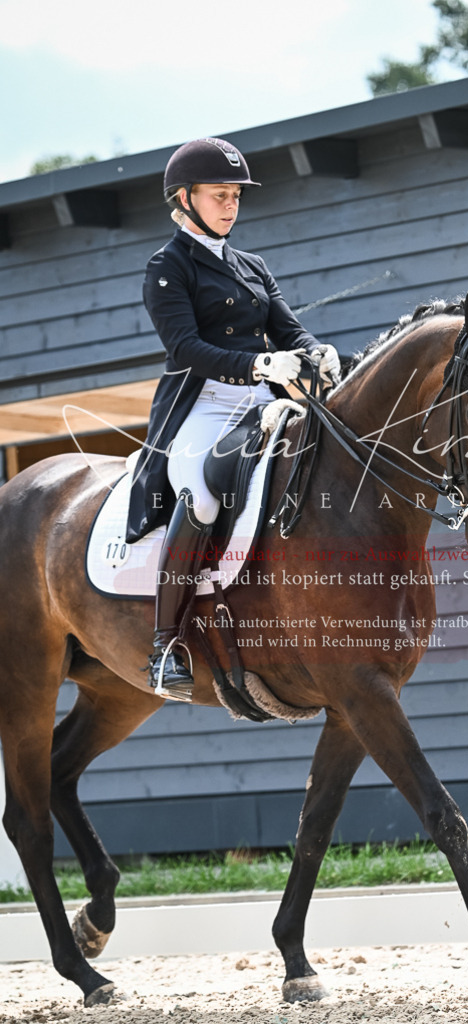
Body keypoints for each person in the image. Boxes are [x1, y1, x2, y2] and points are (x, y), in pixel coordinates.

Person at [125, 137, 340, 702]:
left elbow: (288, 328)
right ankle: (165, 645)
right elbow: (185, 347)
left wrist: (315, 351)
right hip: (203, 405)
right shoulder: (167, 267)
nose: (230, 205)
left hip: (262, 402)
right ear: (185, 198)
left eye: (236, 196)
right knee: (199, 496)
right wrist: (260, 363)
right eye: (219, 195)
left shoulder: (251, 266)